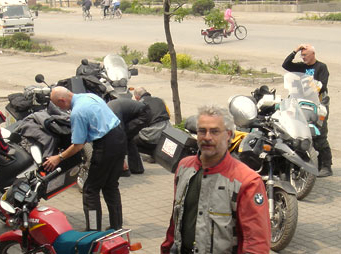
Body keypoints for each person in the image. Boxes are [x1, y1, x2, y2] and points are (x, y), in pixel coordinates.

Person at [161, 105, 270, 254]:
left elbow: (256, 243)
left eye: (214, 131)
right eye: (202, 131)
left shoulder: (247, 181)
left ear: (228, 135)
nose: (207, 137)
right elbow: (175, 221)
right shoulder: (184, 167)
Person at [44, 87, 126, 231]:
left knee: (90, 190)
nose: (60, 108)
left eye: (58, 105)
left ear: (62, 100)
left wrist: (58, 157)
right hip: (119, 137)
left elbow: (77, 145)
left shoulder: (78, 112)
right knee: (111, 186)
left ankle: (93, 230)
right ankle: (116, 226)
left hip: (105, 145)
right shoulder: (89, 96)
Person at [282, 44, 333, 177]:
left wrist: (309, 86)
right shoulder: (301, 66)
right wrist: (295, 50)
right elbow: (286, 64)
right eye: (301, 55)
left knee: (319, 135)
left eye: (305, 55)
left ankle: (326, 166)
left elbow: (322, 86)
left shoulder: (321, 67)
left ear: (312, 55)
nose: (302, 57)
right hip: (302, 104)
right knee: (300, 131)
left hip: (318, 104)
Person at [107, 98, 151, 176]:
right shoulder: (109, 108)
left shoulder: (112, 111)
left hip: (143, 114)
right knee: (128, 139)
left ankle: (123, 168)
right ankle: (136, 168)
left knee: (123, 137)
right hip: (143, 112)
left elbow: (120, 133)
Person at [132, 87, 170, 156]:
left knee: (131, 139)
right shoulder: (160, 100)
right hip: (166, 133)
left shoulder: (141, 104)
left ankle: (149, 154)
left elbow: (137, 122)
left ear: (137, 97)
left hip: (151, 136)